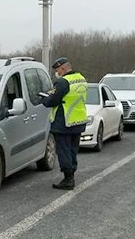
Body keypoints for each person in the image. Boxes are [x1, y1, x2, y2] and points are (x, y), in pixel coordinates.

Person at [41, 56, 88, 190]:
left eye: (57, 70)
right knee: (73, 150)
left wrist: (43, 100)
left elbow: (53, 100)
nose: (57, 73)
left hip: (64, 122)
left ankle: (68, 179)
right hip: (78, 121)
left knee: (63, 151)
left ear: (63, 68)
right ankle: (71, 175)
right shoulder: (81, 79)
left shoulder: (63, 82)